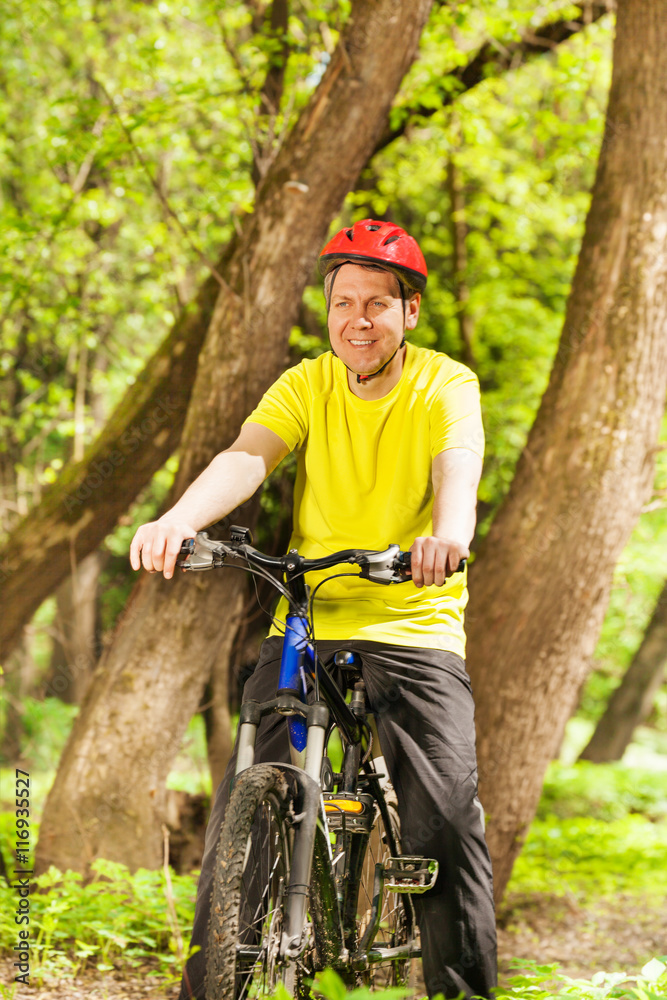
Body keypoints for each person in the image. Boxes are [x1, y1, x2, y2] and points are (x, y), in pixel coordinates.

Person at [130, 219, 497, 999]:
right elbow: (246, 456)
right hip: (308, 622)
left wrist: (447, 537)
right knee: (246, 805)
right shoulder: (306, 384)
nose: (356, 321)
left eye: (376, 305)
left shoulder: (444, 383)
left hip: (412, 622)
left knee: (447, 820)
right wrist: (178, 520)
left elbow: (456, 469)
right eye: (342, 303)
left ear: (409, 313)